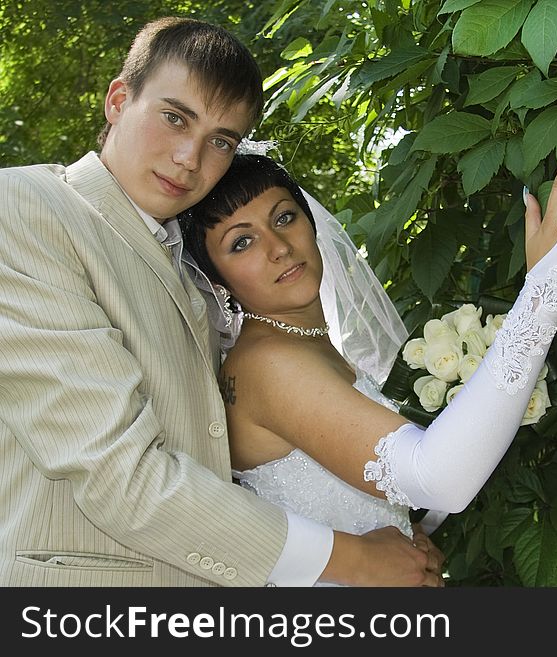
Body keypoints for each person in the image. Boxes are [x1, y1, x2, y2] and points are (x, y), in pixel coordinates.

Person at [0, 16, 443, 587]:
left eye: (221, 141)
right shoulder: (28, 209)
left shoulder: (193, 271)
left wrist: (381, 536)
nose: (190, 157)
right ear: (117, 99)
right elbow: (117, 472)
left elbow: (219, 456)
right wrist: (351, 559)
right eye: (174, 117)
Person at [178, 132, 557, 568]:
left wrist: (403, 531)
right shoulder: (268, 364)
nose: (278, 247)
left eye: (283, 217)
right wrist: (547, 291)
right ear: (215, 280)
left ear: (311, 222)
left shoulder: (301, 343)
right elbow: (440, 477)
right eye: (241, 242)